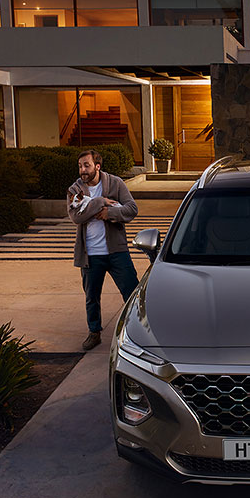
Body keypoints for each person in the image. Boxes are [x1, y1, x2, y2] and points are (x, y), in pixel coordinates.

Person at [67, 149, 139, 350]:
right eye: (80, 166)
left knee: (132, 293)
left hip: (117, 251)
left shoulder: (115, 183)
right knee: (92, 297)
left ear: (97, 166)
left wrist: (110, 213)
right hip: (91, 255)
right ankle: (94, 332)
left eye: (87, 165)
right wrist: (100, 202)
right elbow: (76, 217)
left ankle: (137, 330)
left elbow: (132, 209)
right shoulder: (76, 189)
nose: (83, 170)